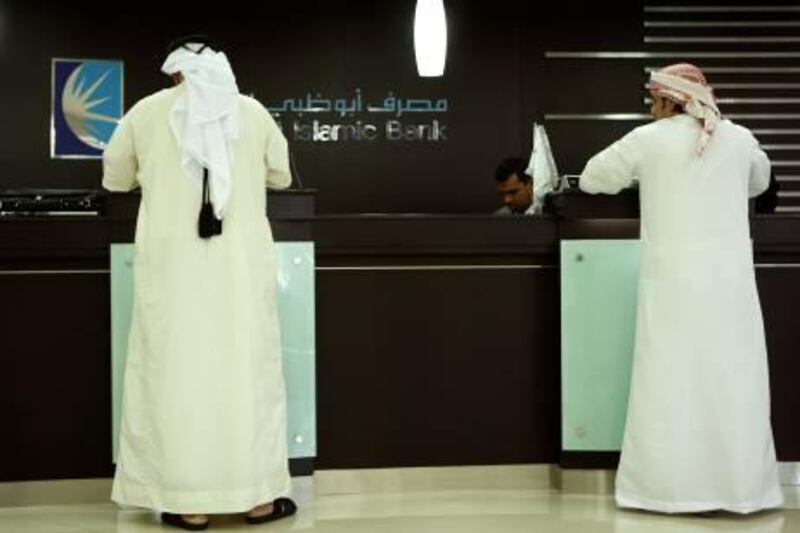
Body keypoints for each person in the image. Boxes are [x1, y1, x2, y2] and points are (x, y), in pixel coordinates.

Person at [102, 36, 297, 530]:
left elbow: (115, 178)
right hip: (240, 275)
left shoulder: (146, 113)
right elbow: (281, 176)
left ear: (174, 74)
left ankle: (185, 502)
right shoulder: (252, 113)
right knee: (245, 374)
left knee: (175, 374)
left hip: (172, 277)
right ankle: (256, 500)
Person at [579, 63, 783, 514]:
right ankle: (743, 490)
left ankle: (662, 491)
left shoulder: (648, 139)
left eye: (654, 100)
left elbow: (594, 177)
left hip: (671, 286)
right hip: (729, 288)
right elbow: (760, 181)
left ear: (670, 100)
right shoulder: (740, 137)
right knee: (733, 381)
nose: (652, 107)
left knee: (668, 381)